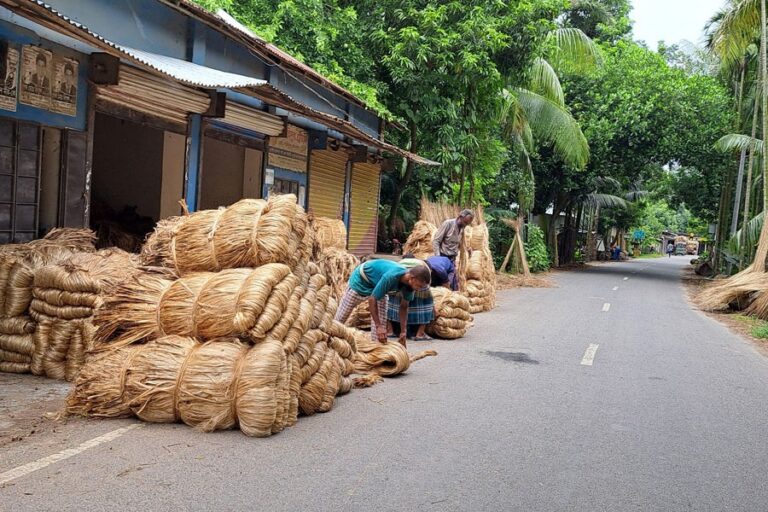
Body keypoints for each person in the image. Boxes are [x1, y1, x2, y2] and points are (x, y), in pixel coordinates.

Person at [335, 258, 431, 346]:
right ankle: (329, 338)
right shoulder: (391, 277)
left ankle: (376, 347)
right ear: (412, 278)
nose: (420, 289)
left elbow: (404, 307)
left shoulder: (410, 286)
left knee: (380, 329)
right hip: (362, 281)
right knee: (340, 318)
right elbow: (372, 299)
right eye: (420, 286)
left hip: (379, 285)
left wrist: (403, 332)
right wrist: (378, 326)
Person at [386, 256, 433, 342]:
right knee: (427, 305)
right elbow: (428, 280)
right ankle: (420, 333)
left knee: (391, 304)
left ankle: (390, 331)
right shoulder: (422, 263)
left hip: (402, 282)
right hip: (420, 283)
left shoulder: (400, 262)